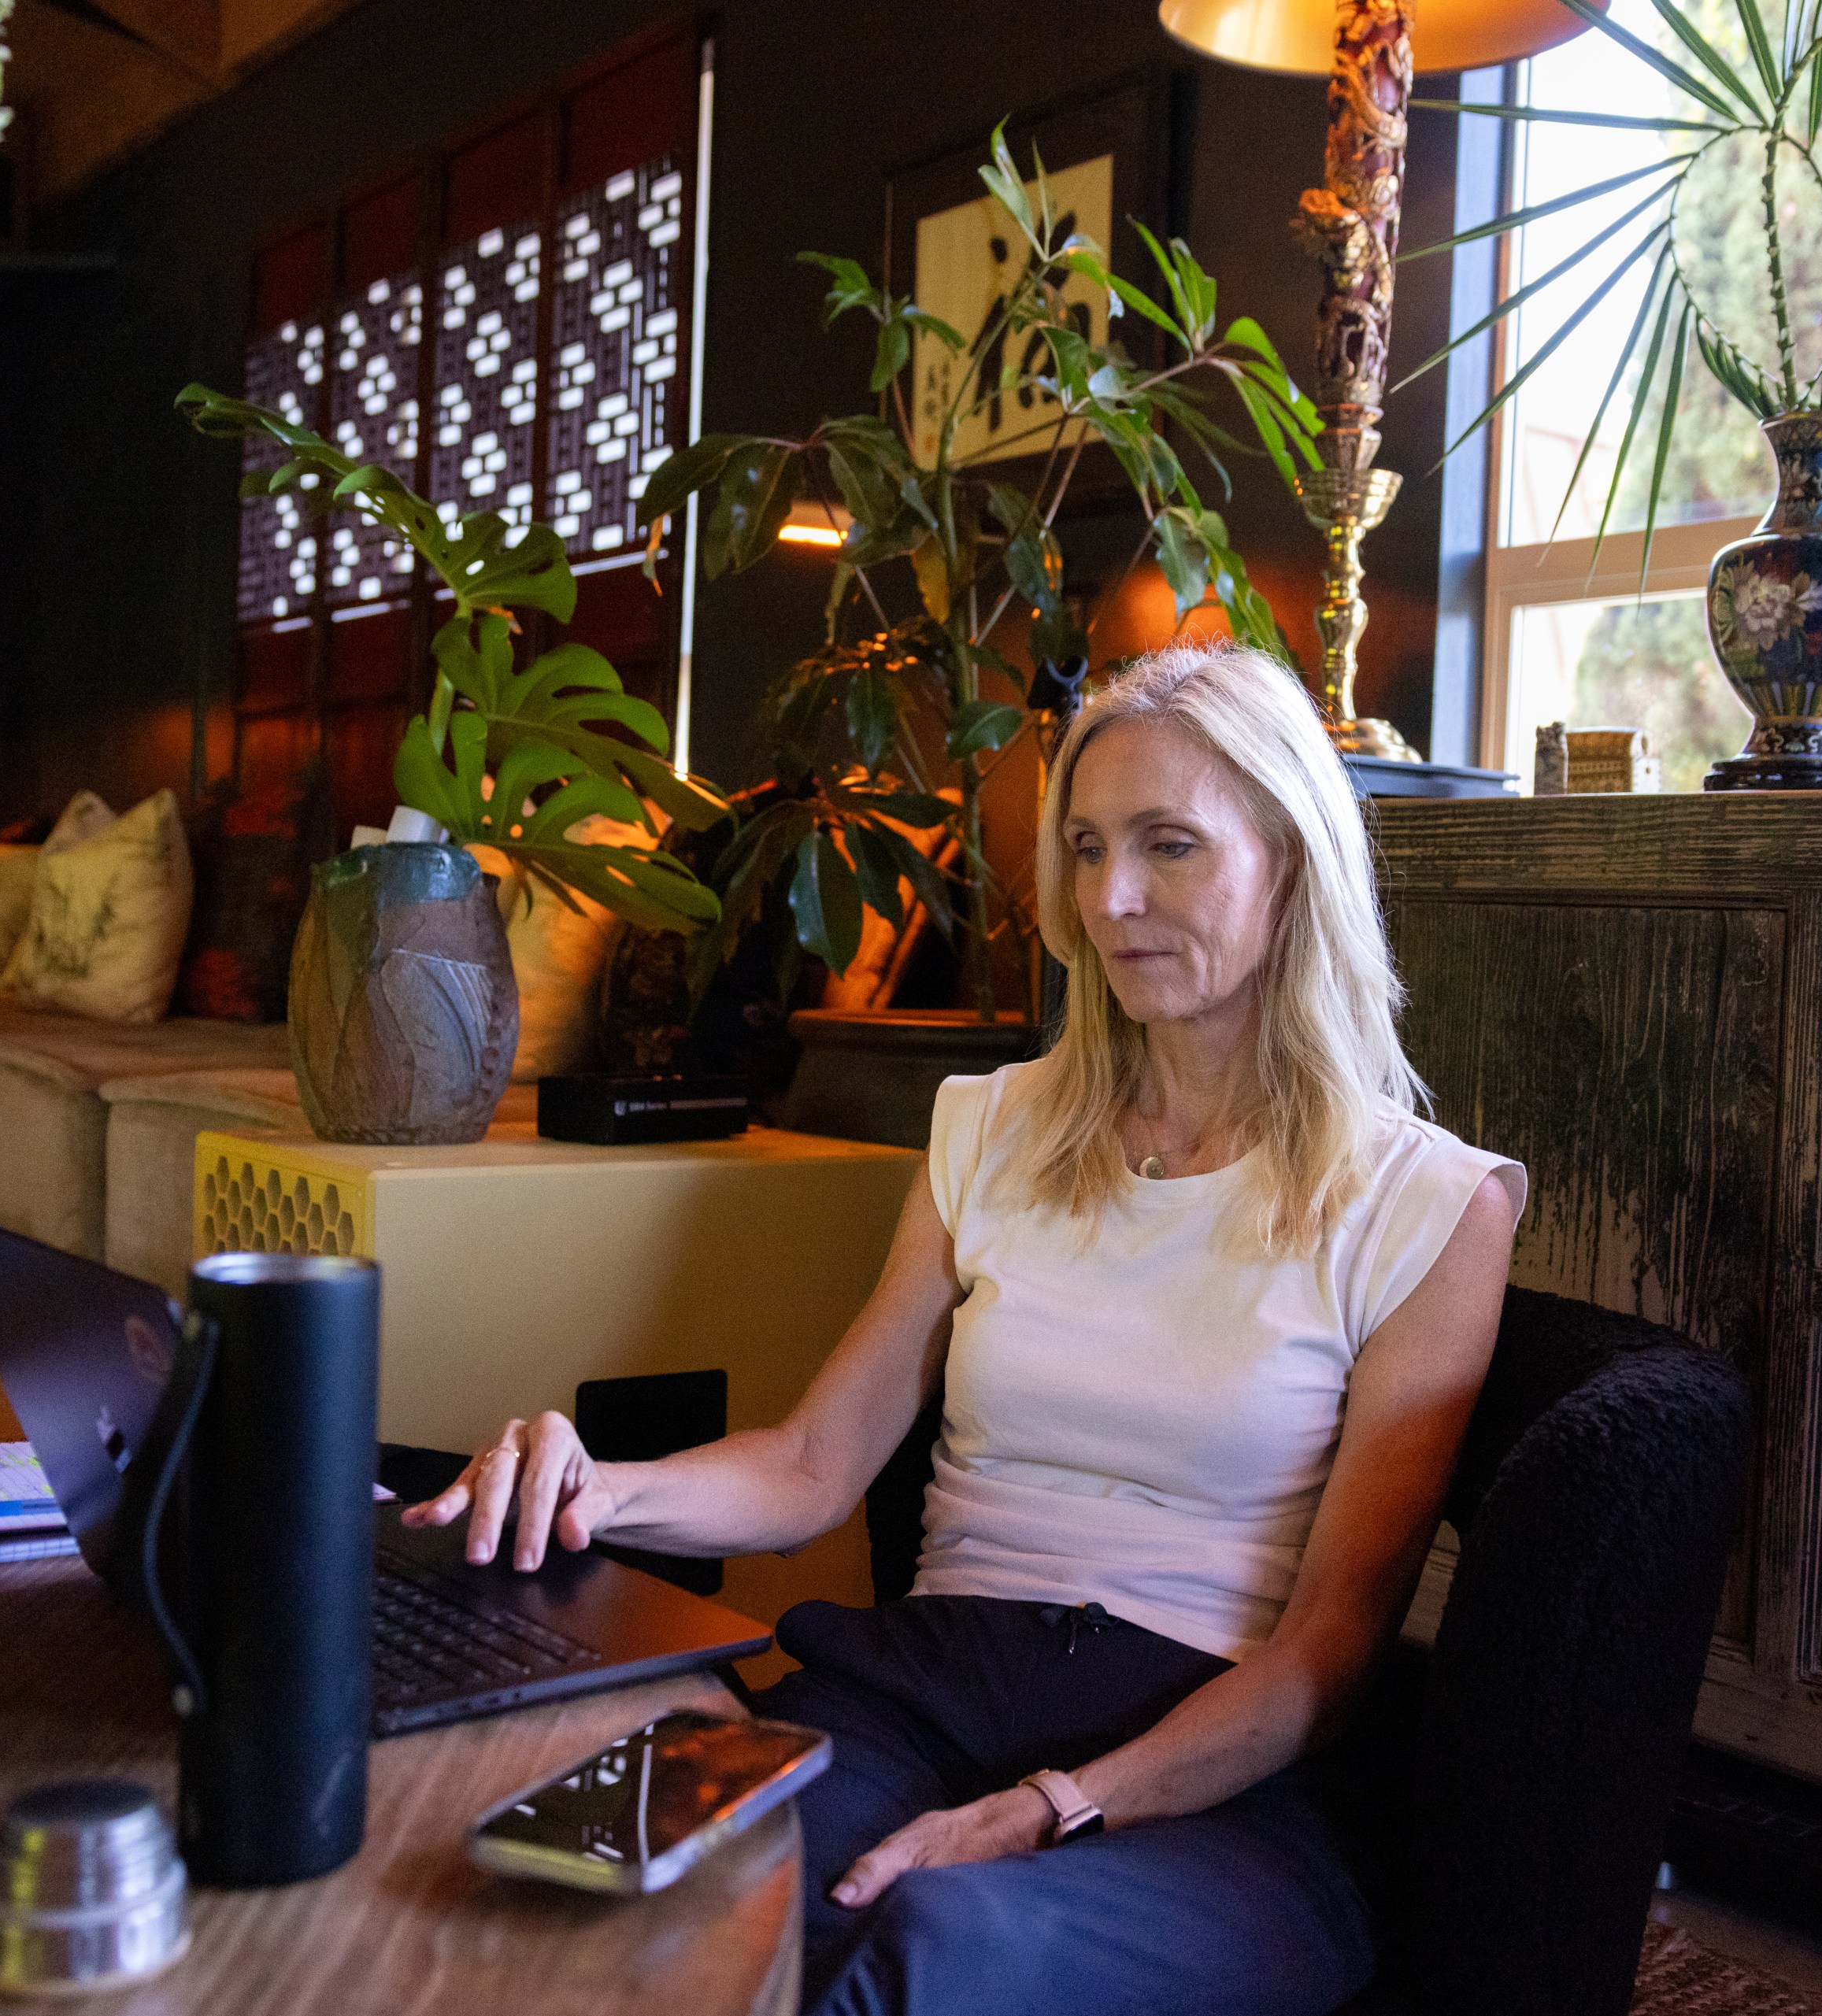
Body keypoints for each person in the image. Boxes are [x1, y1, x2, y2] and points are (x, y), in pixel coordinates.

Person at [407, 642, 1525, 2015]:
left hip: (1211, 1772)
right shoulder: (989, 1129)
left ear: (1292, 859)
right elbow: (818, 1460)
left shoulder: (1428, 1206)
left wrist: (1059, 1802)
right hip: (917, 1685)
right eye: (1088, 847)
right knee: (578, 1874)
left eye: (1170, 846)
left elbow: (1327, 1653)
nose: (1111, 900)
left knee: (934, 1951)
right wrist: (597, 1482)